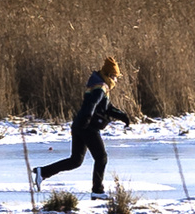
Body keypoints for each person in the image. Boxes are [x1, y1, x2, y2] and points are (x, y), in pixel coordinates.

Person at [32, 56, 133, 195]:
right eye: (116, 77)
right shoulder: (100, 88)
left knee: (75, 161)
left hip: (79, 126)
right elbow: (91, 105)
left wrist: (123, 117)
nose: (116, 80)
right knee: (101, 158)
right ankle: (97, 190)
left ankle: (43, 172)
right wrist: (87, 120)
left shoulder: (97, 85)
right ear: (110, 75)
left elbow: (107, 108)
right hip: (87, 127)